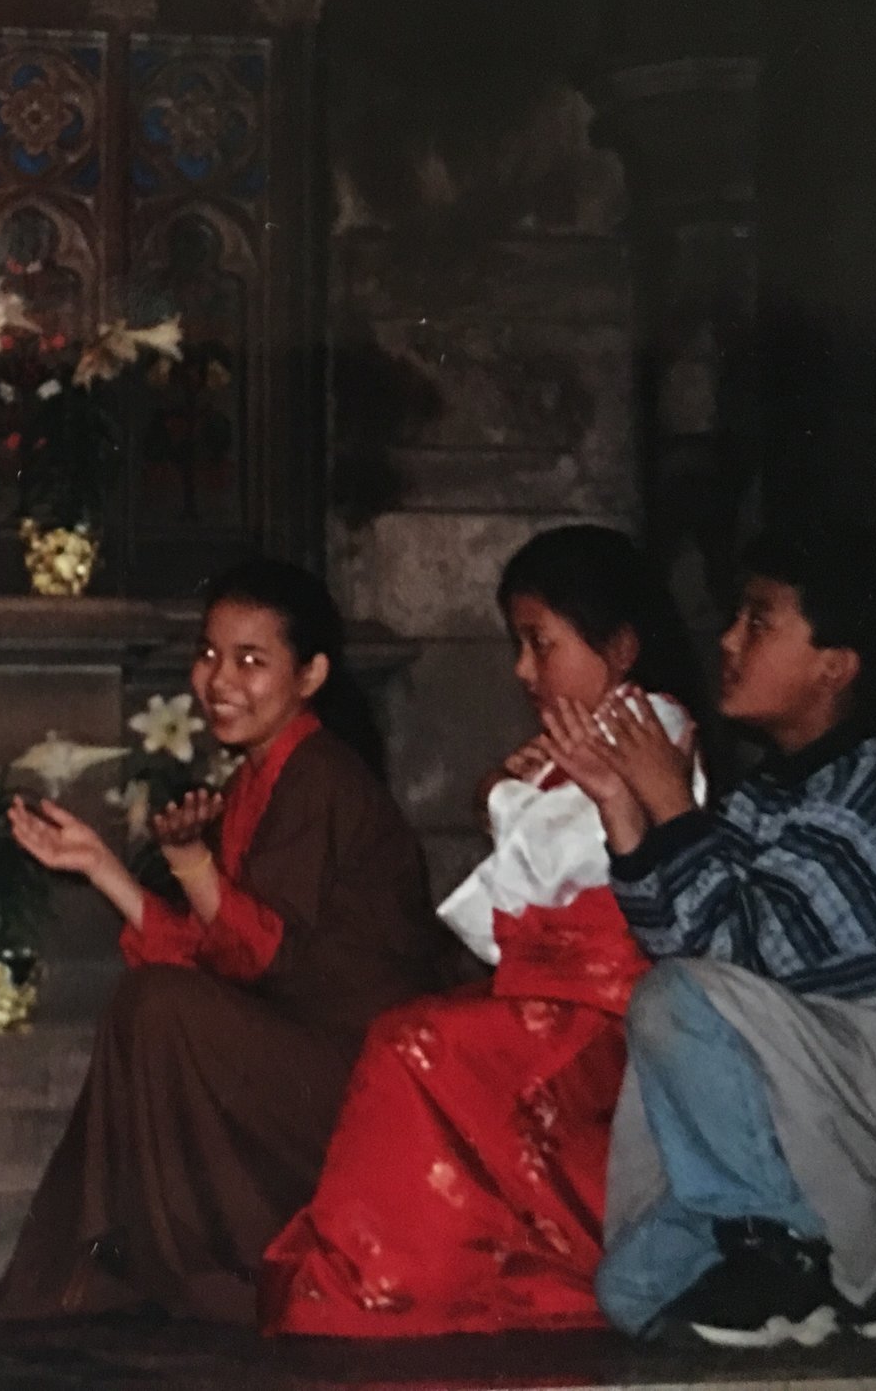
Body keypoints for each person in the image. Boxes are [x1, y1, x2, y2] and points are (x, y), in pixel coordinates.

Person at [264, 524, 708, 1335]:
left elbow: (561, 860)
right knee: (411, 1034)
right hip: (551, 990)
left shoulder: (652, 727)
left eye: (541, 643)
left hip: (605, 1008)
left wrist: (501, 799)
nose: (524, 671)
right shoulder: (594, 731)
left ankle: (398, 1279)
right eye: (520, 645)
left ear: (620, 645)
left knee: (415, 1041)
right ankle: (400, 1271)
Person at [560, 528, 876, 1347]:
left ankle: (790, 1251)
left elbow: (740, 958)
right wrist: (624, 808)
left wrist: (674, 805)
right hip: (817, 1071)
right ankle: (859, 1252)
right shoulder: (767, 795)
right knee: (632, 1292)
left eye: (758, 622)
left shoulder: (869, 791)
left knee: (675, 999)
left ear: (836, 663)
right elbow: (682, 935)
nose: (726, 638)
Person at [0, 559, 439, 1326]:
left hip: (356, 1068)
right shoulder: (256, 778)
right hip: (296, 1041)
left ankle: (169, 1260)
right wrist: (97, 863)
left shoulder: (321, 775)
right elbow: (203, 946)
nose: (219, 679)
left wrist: (192, 862)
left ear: (311, 674)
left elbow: (260, 960)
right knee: (156, 999)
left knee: (162, 1005)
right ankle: (129, 1253)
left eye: (251, 660)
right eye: (208, 654)